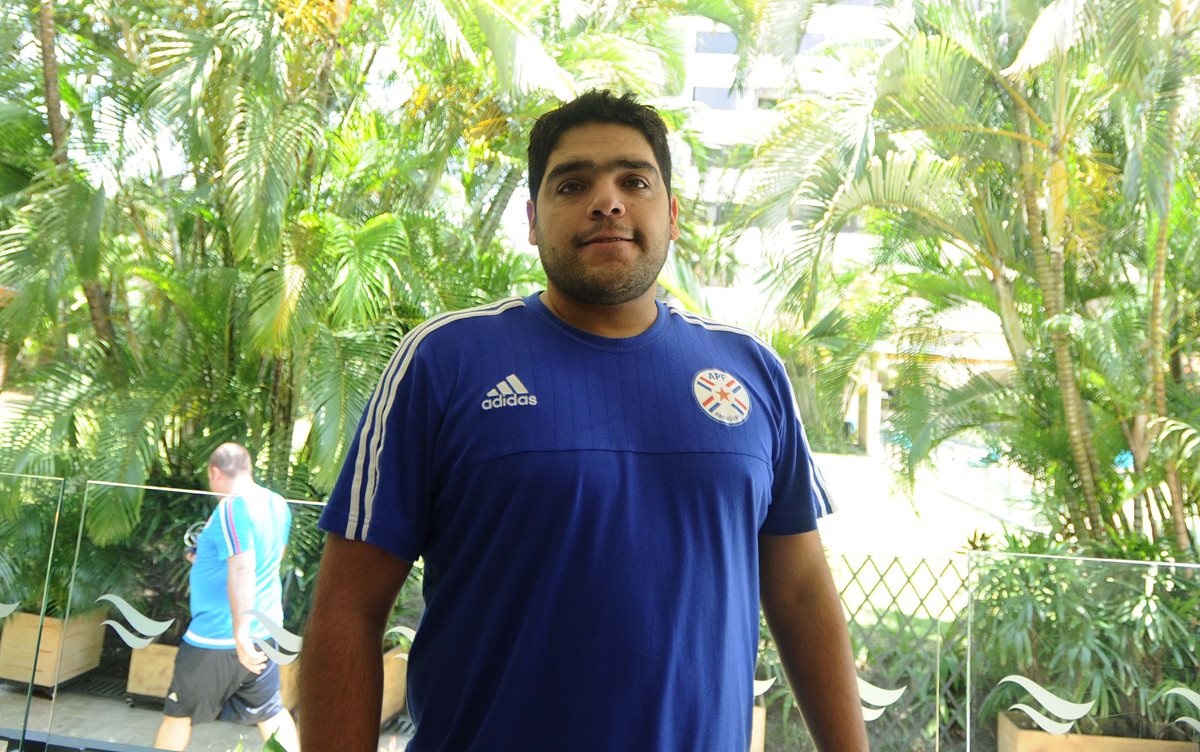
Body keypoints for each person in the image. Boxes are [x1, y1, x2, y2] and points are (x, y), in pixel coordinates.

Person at [300, 90, 868, 751]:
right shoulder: (443, 362)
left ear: (673, 214)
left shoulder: (751, 372)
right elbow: (348, 608)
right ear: (534, 220)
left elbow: (799, 594)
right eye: (573, 183)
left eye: (634, 180)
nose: (608, 200)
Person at [154, 442, 299, 752]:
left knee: (178, 715)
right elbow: (270, 558)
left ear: (214, 472)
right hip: (264, 631)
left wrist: (240, 634)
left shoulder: (234, 506)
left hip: (221, 638)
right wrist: (204, 558)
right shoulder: (276, 503)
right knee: (271, 713)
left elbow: (244, 567)